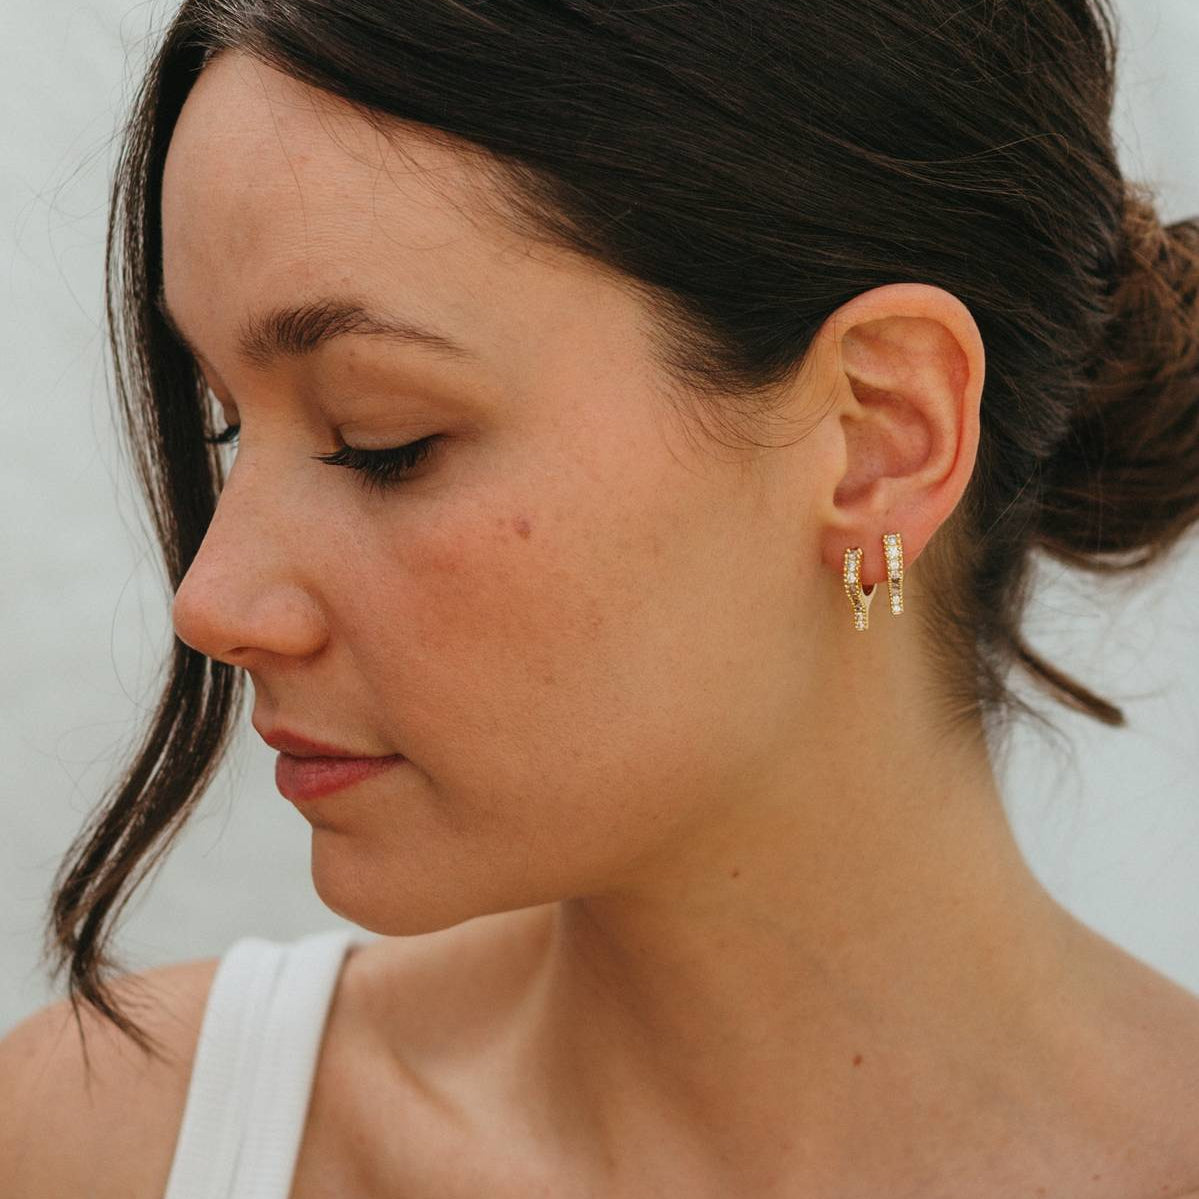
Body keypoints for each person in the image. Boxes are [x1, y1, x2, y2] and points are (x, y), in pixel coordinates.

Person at [4, 1, 1199, 1195]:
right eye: (225, 421)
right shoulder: (102, 1140)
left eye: (381, 438)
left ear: (876, 436)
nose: (213, 602)